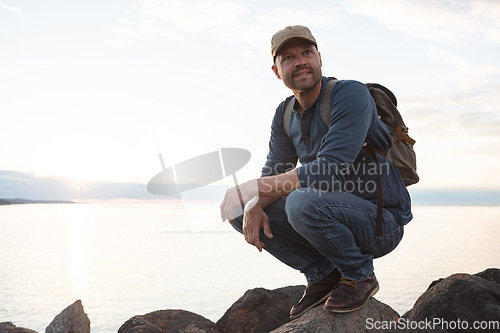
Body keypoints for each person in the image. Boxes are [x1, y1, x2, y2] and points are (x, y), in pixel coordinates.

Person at [220, 25, 412, 319]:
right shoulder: (284, 114)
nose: (300, 62)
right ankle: (323, 274)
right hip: (326, 211)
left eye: (307, 53)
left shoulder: (350, 94)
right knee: (238, 208)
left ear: (319, 58)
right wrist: (254, 201)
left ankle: (360, 275)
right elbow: (276, 170)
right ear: (276, 70)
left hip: (380, 220)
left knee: (300, 200)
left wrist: (255, 187)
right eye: (288, 57)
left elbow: (328, 171)